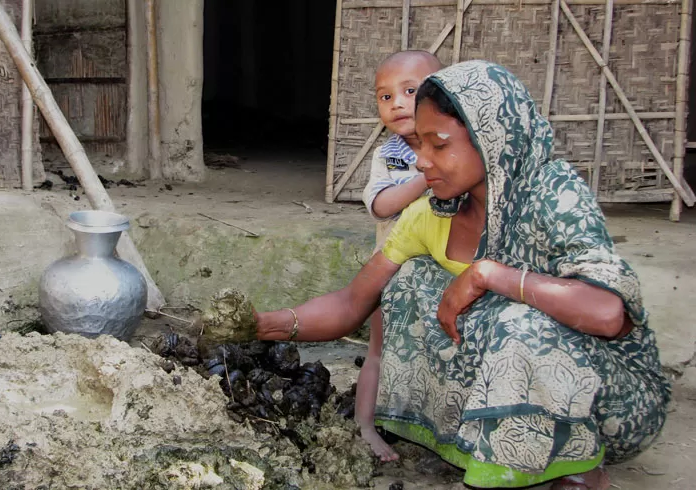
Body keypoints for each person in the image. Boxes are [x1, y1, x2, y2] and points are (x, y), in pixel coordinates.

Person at [254, 60, 670, 489]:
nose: (420, 162)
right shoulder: (432, 211)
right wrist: (264, 325)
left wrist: (489, 273)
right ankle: (479, 440)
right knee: (410, 282)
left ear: (492, 139)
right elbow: (352, 302)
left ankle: (579, 466)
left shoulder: (553, 193)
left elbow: (607, 314)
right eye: (419, 145)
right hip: (518, 378)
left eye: (438, 145)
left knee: (519, 322)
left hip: (611, 401)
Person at [357, 49, 441, 462]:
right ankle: (366, 425)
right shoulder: (387, 154)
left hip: (440, 272)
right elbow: (381, 206)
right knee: (379, 347)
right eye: (385, 96)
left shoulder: (455, 146)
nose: (397, 104)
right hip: (389, 267)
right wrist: (428, 178)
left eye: (410, 91)